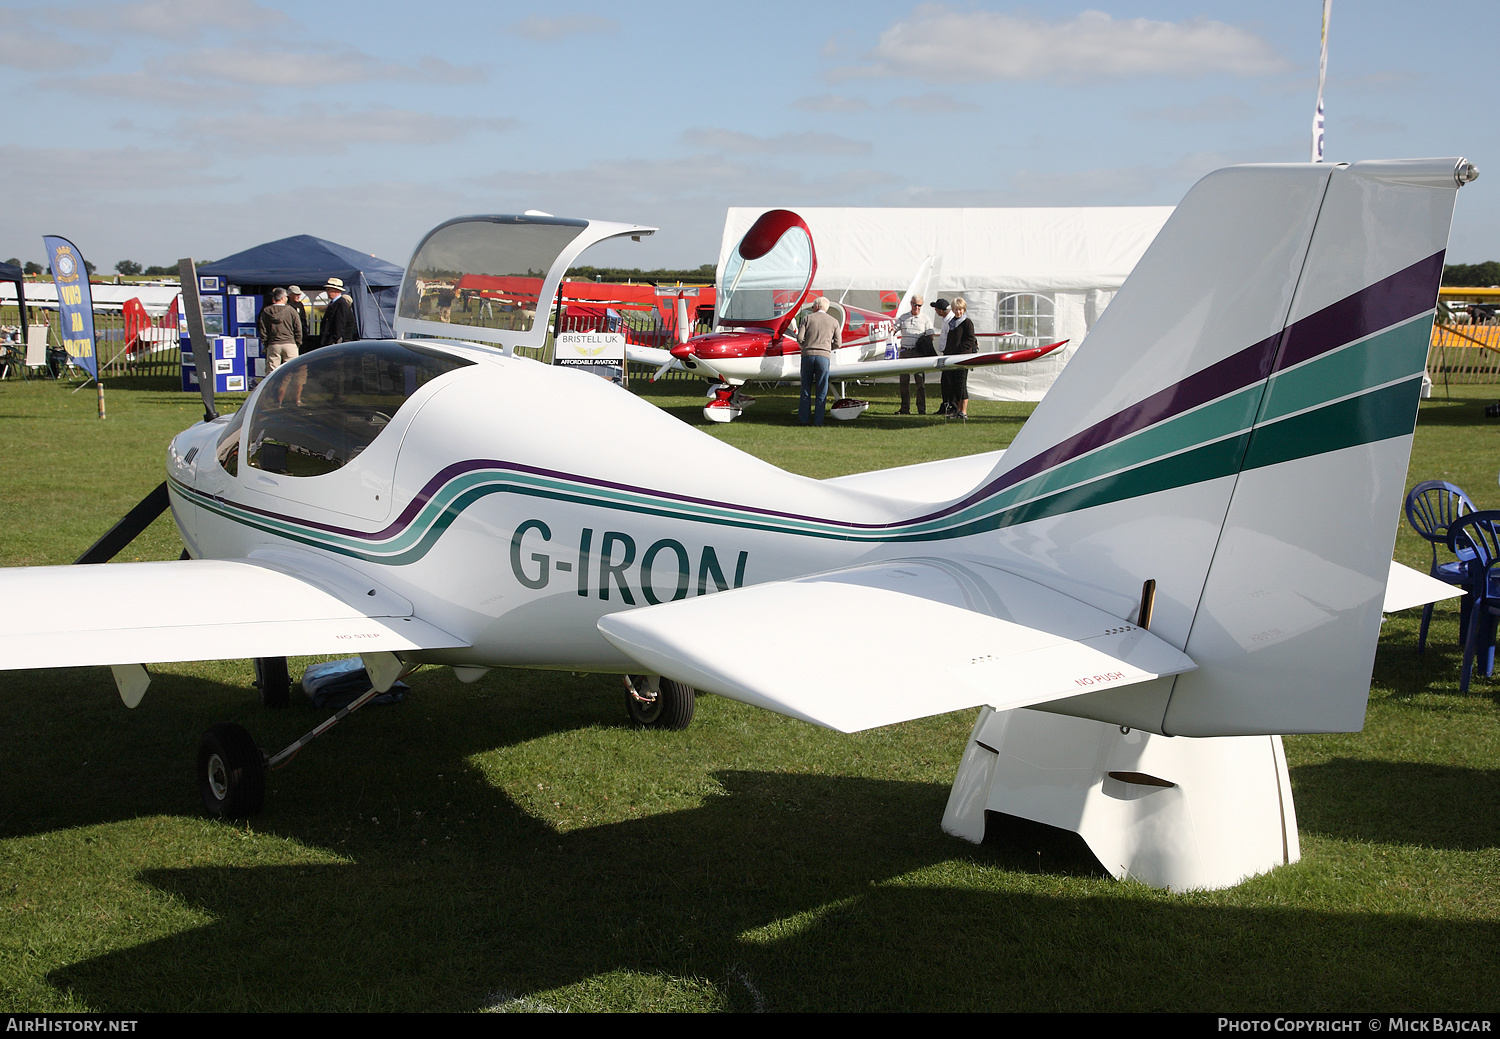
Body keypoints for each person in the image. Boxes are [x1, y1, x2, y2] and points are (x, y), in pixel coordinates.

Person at [257, 287, 305, 405]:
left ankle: (271, 398)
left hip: (273, 344)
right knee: (294, 372)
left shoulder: (266, 311)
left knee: (271, 373)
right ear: (284, 298)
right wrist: (297, 342)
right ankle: (295, 399)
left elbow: (262, 330)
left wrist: (266, 343)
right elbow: (298, 328)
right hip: (289, 343)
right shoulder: (291, 310)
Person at [797, 296, 840, 426]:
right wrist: (827, 348)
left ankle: (804, 420)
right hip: (824, 357)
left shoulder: (807, 318)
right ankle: (818, 421)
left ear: (816, 306)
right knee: (822, 390)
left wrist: (805, 347)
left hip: (808, 355)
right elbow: (838, 343)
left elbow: (799, 338)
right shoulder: (834, 321)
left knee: (806, 389)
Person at [894, 293, 936, 414]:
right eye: (914, 304)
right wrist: (892, 329)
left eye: (919, 305)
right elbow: (895, 328)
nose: (916, 307)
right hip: (904, 352)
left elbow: (930, 337)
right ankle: (904, 408)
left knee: (920, 383)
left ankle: (921, 409)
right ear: (911, 304)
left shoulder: (925, 319)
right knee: (903, 382)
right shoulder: (903, 317)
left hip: (918, 353)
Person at [940, 296, 977, 420]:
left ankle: (963, 411)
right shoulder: (951, 323)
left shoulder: (967, 323)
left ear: (964, 309)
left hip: (962, 358)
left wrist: (959, 350)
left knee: (961, 385)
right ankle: (956, 410)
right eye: (956, 309)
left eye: (960, 309)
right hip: (951, 358)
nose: (958, 312)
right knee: (952, 384)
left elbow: (970, 340)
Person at [320, 277, 358, 345]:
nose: (327, 291)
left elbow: (339, 324)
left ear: (335, 291)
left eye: (329, 289)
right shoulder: (334, 303)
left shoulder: (341, 304)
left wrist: (332, 341)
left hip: (336, 342)